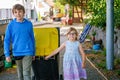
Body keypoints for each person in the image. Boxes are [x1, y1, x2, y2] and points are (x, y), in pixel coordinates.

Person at [4, 4, 35, 80]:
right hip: (17, 52)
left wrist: (33, 52)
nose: (18, 14)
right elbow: (7, 40)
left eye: (20, 12)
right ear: (13, 13)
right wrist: (7, 54)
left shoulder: (29, 24)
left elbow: (32, 39)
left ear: (24, 12)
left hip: (28, 51)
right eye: (16, 12)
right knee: (20, 74)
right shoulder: (10, 25)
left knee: (26, 73)